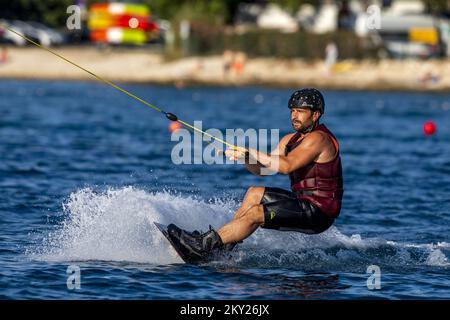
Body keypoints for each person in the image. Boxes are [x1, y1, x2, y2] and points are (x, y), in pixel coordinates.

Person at [167, 88, 344, 263]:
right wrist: (245, 157)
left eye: (301, 111)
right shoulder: (290, 140)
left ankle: (202, 246)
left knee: (257, 213)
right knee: (254, 193)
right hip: (302, 202)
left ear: (315, 115)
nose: (294, 116)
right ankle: (221, 248)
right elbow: (263, 170)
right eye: (292, 111)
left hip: (319, 213)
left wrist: (250, 150)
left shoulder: (319, 139)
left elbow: (286, 166)